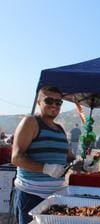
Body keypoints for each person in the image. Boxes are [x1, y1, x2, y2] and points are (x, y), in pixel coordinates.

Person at [11, 86, 75, 224]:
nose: (54, 105)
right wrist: (45, 168)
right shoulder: (31, 122)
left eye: (58, 102)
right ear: (39, 102)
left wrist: (83, 163)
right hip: (31, 195)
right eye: (49, 101)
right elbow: (16, 157)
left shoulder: (60, 129)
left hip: (56, 196)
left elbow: (69, 157)